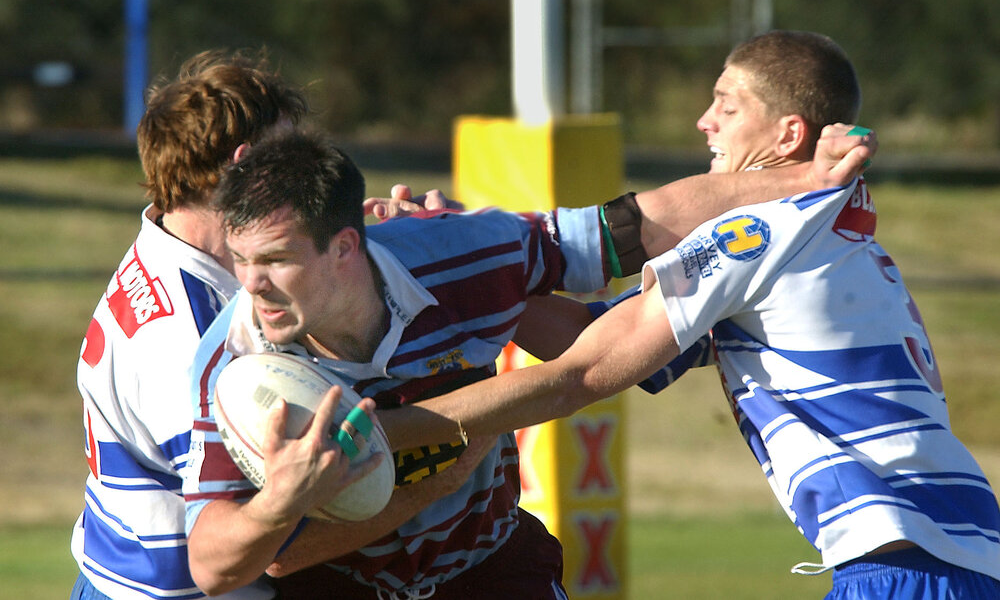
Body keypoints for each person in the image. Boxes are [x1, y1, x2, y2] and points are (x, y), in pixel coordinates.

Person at [379, 30, 1000, 598]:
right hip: (958, 549)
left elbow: (579, 375)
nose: (705, 122)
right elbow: (581, 336)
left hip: (906, 567)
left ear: (788, 135)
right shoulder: (835, 236)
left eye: (727, 106)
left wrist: (381, 433)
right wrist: (469, 265)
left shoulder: (759, 233)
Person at [179, 123, 873, 598]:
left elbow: (634, 224)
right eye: (241, 261)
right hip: (339, 589)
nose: (252, 285)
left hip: (490, 566)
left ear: (345, 246)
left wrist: (804, 177)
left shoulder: (465, 254)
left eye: (276, 260)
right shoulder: (234, 367)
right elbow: (213, 565)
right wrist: (281, 501)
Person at [69, 49, 481, 600]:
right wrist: (450, 471)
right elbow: (277, 538)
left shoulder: (191, 266)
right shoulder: (187, 335)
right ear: (246, 165)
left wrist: (425, 243)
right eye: (293, 156)